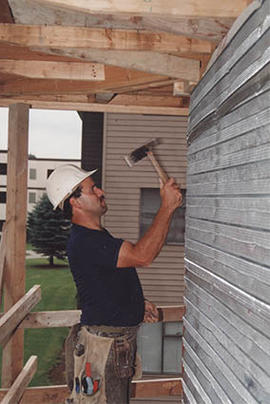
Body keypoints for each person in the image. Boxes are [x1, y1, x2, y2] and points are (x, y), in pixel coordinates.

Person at [46, 164, 182, 404]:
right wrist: (167, 206)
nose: (100, 192)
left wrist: (136, 304)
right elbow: (142, 256)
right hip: (105, 348)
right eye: (92, 189)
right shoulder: (86, 241)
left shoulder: (96, 237)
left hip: (109, 344)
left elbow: (105, 283)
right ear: (75, 202)